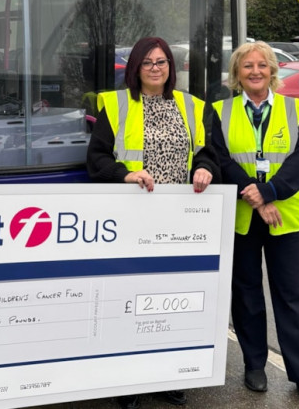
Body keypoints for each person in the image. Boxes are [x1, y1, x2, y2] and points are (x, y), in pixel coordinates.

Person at [86, 36, 220, 409]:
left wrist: (206, 169)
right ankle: (127, 381)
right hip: (132, 219)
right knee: (129, 299)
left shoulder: (192, 106)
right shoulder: (116, 105)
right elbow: (96, 157)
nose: (156, 68)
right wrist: (123, 175)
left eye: (161, 62)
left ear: (170, 67)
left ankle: (166, 374)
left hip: (178, 221)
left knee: (169, 301)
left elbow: (210, 153)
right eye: (147, 63)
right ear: (135, 68)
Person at [210, 41, 299, 408]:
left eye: (262, 65)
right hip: (244, 216)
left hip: (285, 217)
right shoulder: (220, 111)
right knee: (245, 294)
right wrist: (254, 195)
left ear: (273, 70)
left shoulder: (295, 110)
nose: (255, 72)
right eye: (247, 66)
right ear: (237, 74)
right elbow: (220, 159)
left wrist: (270, 192)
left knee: (291, 295)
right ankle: (254, 365)